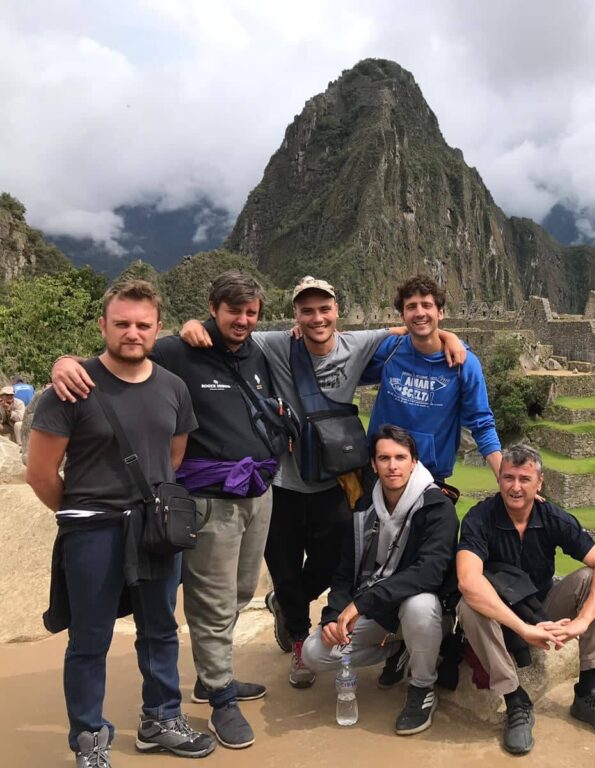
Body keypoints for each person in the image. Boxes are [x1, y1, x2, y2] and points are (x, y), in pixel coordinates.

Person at [178, 276, 465, 690]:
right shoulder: (275, 344)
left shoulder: (358, 343)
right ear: (295, 314)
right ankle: (298, 639)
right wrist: (195, 325)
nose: (317, 318)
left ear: (336, 312)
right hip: (281, 483)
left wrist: (453, 337)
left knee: (333, 565)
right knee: (285, 568)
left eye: (324, 309)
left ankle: (287, 606)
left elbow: (414, 326)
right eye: (307, 311)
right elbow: (230, 334)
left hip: (335, 482)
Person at [51, 271, 287, 749]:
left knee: (232, 595)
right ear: (211, 310)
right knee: (202, 604)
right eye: (232, 311)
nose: (242, 320)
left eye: (250, 313)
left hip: (252, 494)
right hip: (202, 501)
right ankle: (218, 700)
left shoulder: (258, 352)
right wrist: (62, 362)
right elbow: (115, 362)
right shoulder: (177, 349)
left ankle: (196, 687)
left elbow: (174, 451)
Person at [25, 279, 215, 767]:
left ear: (157, 328)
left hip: (153, 528)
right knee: (90, 638)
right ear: (103, 325)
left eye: (143, 325)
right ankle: (89, 736)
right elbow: (41, 474)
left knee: (160, 628)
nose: (133, 333)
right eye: (122, 323)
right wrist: (84, 512)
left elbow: (171, 458)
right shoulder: (71, 388)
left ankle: (160, 719)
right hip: (93, 529)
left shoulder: (173, 388)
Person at [456, 443, 595, 755]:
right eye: (509, 478)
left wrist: (582, 621)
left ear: (540, 483)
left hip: (540, 607)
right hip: (501, 618)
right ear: (499, 480)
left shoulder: (552, 517)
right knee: (469, 604)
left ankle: (588, 692)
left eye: (525, 479)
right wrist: (523, 629)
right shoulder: (479, 519)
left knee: (591, 580)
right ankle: (515, 699)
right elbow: (468, 581)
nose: (516, 487)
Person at [301, 425, 458, 734]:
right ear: (373, 464)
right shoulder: (364, 508)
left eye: (400, 457)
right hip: (379, 611)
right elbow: (345, 572)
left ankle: (422, 687)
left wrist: (361, 603)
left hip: (422, 609)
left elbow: (429, 573)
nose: (392, 466)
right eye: (384, 458)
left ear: (414, 462)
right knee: (313, 653)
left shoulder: (437, 507)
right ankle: (398, 650)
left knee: (419, 606)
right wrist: (333, 616)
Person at [363, 274, 502, 484]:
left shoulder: (462, 364)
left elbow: (481, 423)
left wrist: (506, 479)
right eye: (411, 307)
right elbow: (343, 354)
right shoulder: (390, 351)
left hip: (429, 477)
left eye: (426, 305)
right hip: (379, 473)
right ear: (402, 315)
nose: (419, 313)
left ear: (441, 312)